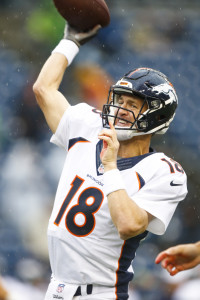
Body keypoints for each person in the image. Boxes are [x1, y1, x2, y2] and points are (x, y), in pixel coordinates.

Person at [33, 22, 188, 300]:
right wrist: (71, 41)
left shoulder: (164, 171)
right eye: (120, 100)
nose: (121, 109)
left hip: (100, 293)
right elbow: (44, 89)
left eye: (133, 104)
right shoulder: (89, 126)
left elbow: (129, 225)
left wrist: (111, 166)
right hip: (55, 288)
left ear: (157, 116)